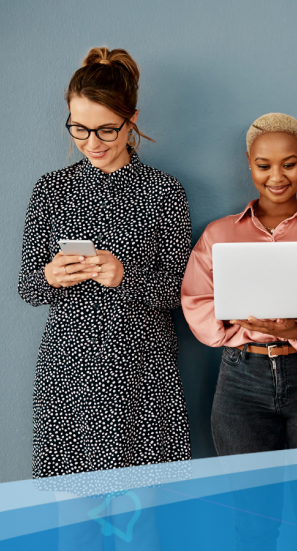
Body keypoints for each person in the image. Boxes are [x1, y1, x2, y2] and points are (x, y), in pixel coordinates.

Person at [180, 113, 297, 550]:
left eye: (289, 164)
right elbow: (197, 301)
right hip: (241, 381)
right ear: (248, 163)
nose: (277, 176)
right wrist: (241, 329)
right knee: (254, 524)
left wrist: (294, 328)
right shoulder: (219, 234)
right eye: (264, 165)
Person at [18, 47, 192, 479]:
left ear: (131, 119)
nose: (91, 143)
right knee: (76, 521)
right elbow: (26, 287)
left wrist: (125, 275)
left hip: (143, 372)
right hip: (70, 371)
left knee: (145, 520)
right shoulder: (50, 190)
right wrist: (50, 276)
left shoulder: (165, 192)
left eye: (106, 130)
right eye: (79, 128)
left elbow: (182, 290)